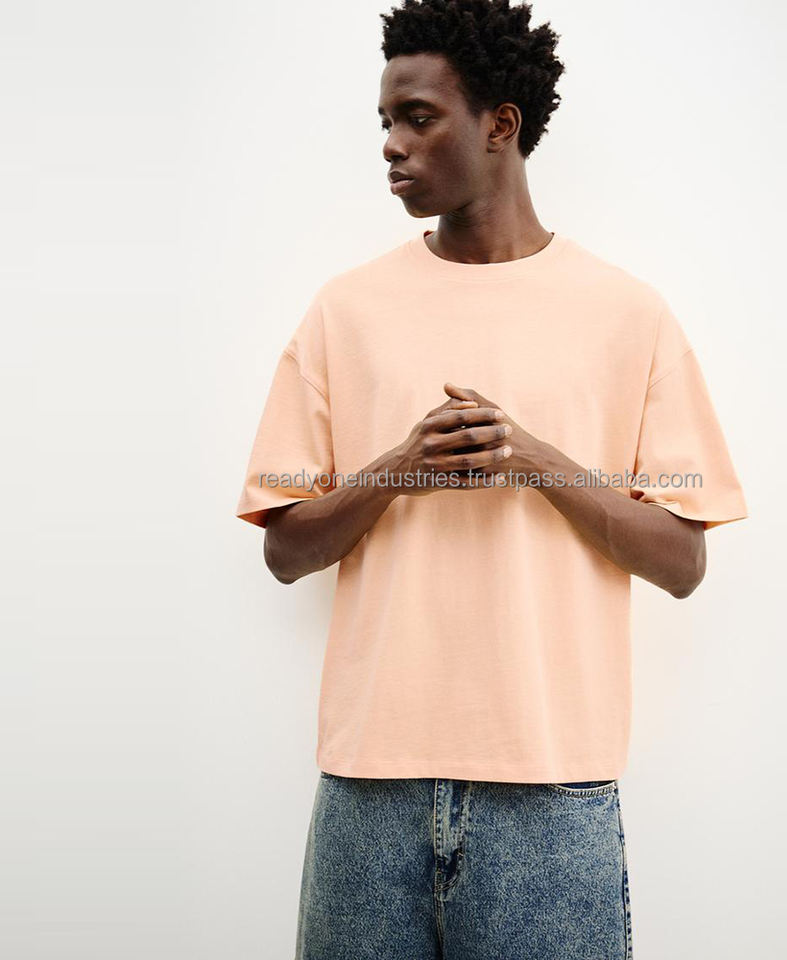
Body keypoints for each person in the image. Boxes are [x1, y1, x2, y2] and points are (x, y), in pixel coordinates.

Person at [234, 1, 747, 957]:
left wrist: (535, 459)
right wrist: (399, 469)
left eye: (418, 117)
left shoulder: (628, 315)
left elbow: (683, 562)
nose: (391, 145)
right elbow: (284, 551)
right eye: (385, 121)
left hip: (553, 797)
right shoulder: (344, 311)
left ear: (500, 125)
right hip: (367, 793)